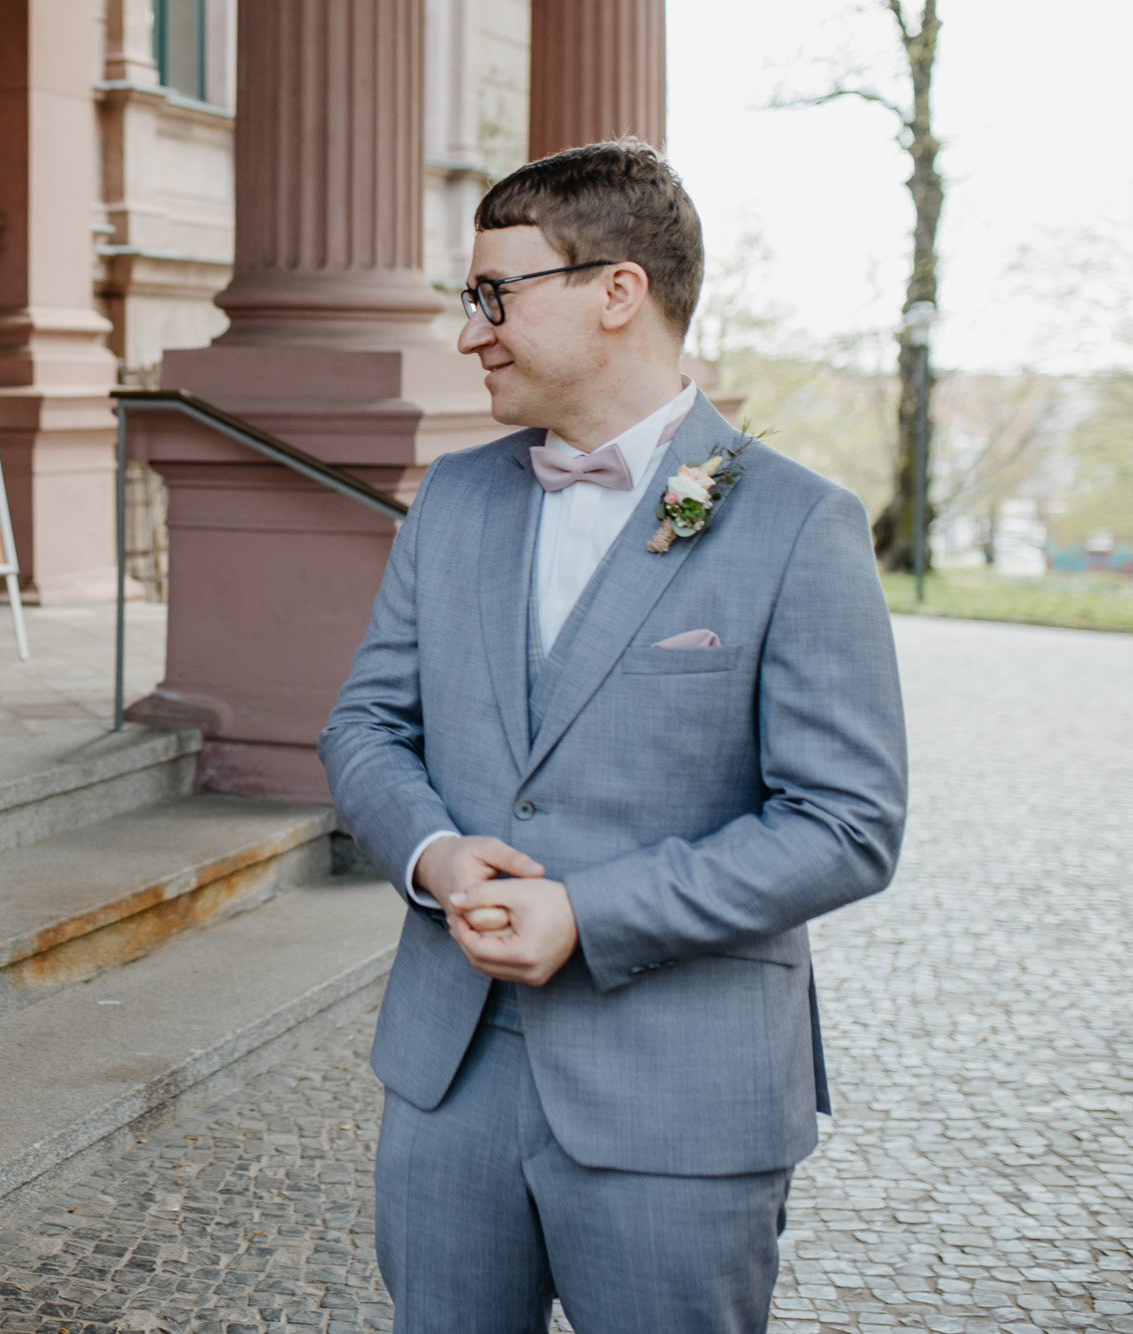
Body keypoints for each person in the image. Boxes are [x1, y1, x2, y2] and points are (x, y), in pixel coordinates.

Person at [318, 140, 909, 1333]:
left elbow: (845, 824)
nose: (469, 332)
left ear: (616, 291)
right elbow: (365, 723)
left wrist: (587, 913)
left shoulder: (795, 521)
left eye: (494, 295)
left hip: (677, 1094)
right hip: (447, 1076)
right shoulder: (453, 496)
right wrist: (433, 854)